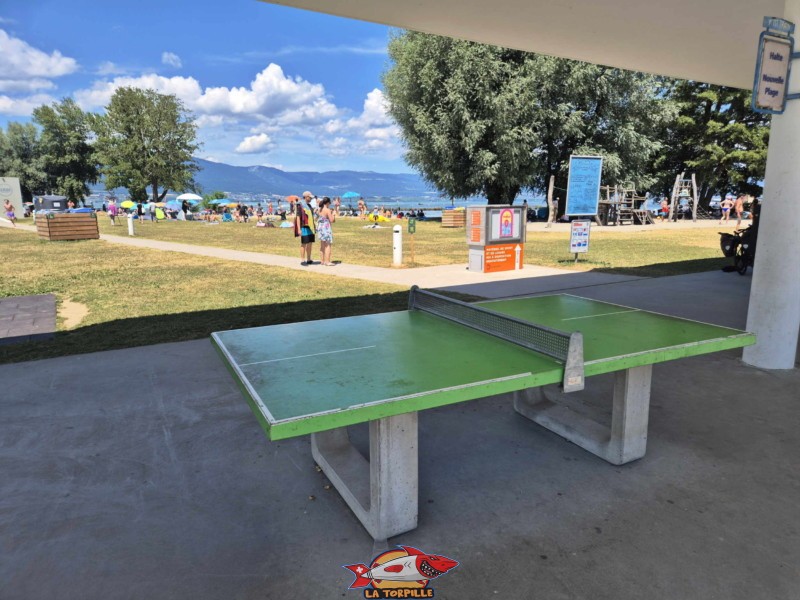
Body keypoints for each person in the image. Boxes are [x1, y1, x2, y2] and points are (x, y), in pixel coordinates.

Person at [295, 191, 317, 265]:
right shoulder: (300, 206)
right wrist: (299, 229)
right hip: (304, 227)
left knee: (310, 243)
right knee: (304, 243)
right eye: (310, 197)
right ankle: (302, 260)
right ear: (306, 197)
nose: (311, 199)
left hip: (311, 227)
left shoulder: (310, 206)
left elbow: (312, 217)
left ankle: (308, 259)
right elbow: (298, 217)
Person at [317, 197, 336, 266]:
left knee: (322, 245)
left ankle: (322, 261)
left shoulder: (320, 209)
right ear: (327, 203)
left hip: (320, 227)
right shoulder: (327, 210)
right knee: (328, 245)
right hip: (326, 228)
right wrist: (333, 214)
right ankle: (327, 261)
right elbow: (332, 220)